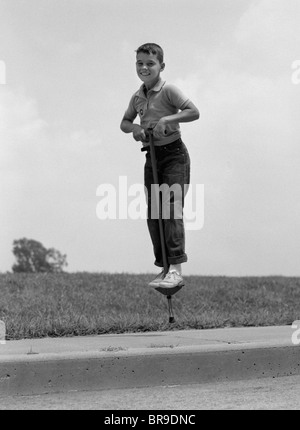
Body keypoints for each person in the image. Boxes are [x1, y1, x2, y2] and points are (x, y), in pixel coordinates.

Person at [120, 43, 200, 289]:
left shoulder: (169, 90)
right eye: (140, 63)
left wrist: (167, 118)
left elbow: (193, 112)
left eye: (150, 63)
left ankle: (175, 269)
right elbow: (124, 122)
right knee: (154, 213)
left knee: (171, 208)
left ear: (161, 66)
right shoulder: (137, 97)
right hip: (152, 156)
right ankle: (164, 268)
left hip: (175, 155)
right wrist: (135, 129)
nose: (144, 67)